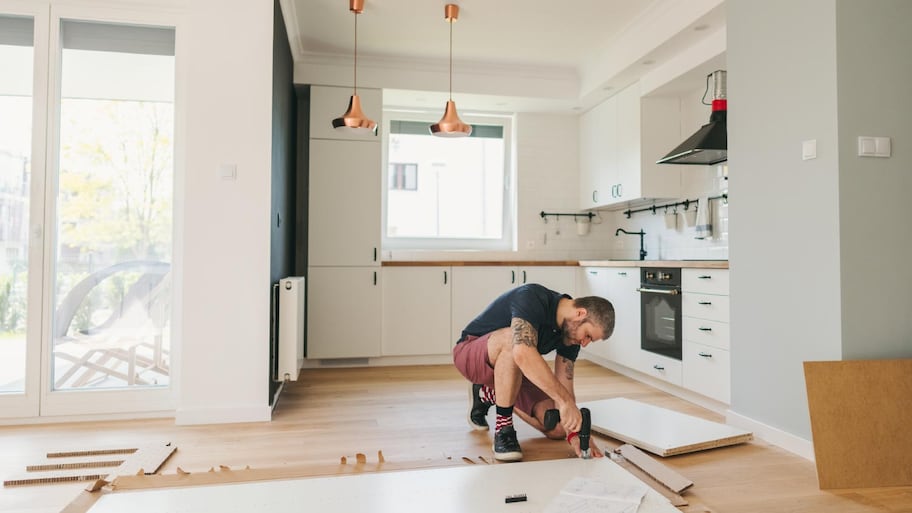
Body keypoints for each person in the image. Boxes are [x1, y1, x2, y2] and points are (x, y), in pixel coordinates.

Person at [452, 282, 615, 462]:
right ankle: (504, 430)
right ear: (580, 314)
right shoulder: (532, 297)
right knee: (513, 340)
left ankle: (486, 393)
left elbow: (565, 386)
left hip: (512, 371)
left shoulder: (570, 336)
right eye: (588, 335)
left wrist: (575, 433)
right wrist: (565, 401)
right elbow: (522, 352)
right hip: (471, 354)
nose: (584, 343)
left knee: (556, 426)